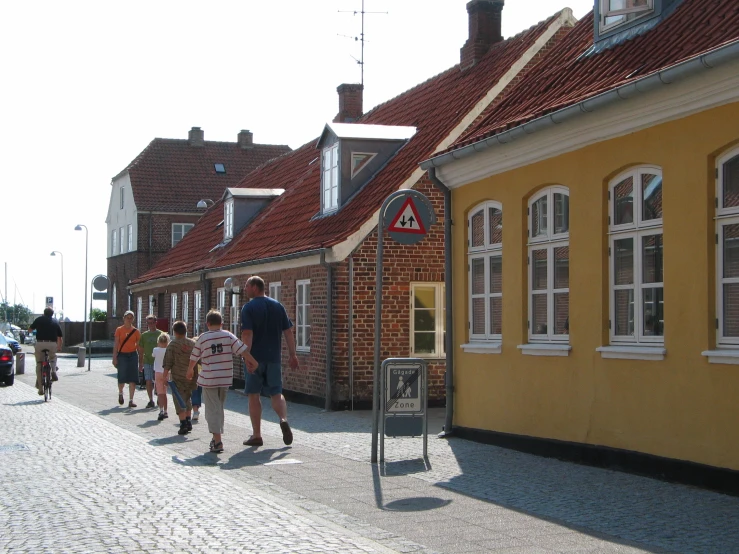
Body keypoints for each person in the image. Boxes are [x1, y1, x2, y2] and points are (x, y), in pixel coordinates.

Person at [240, 275, 299, 447]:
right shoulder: (278, 306)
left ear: (255, 288)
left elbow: (247, 334)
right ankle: (283, 419)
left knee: (253, 395)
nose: (245, 289)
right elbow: (288, 332)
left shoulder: (248, 308)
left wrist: (247, 356)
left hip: (255, 358)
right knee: (276, 393)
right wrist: (293, 354)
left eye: (247, 286)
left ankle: (257, 435)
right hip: (274, 358)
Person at [187, 310, 257, 453]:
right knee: (219, 407)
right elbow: (242, 350)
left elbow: (194, 356)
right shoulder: (228, 335)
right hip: (225, 378)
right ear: (221, 323)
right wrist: (254, 362)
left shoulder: (203, 338)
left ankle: (218, 441)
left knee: (212, 409)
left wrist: (189, 370)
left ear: (207, 324)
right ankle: (217, 437)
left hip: (209, 379)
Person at [163, 321, 197, 436]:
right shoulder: (192, 344)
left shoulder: (172, 345)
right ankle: (188, 420)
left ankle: (183, 424)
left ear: (175, 331)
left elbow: (168, 363)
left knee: (179, 399)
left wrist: (164, 377)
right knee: (187, 398)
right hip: (191, 377)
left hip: (177, 377)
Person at [29, 307, 63, 396]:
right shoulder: (55, 322)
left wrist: (34, 330)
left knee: (39, 364)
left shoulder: (39, 319)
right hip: (52, 344)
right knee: (53, 357)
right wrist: (59, 347)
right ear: (52, 314)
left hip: (40, 343)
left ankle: (40, 389)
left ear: (44, 313)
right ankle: (53, 370)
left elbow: (30, 329)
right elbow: (60, 338)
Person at [113, 310, 141, 408]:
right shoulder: (119, 330)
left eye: (131, 318)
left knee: (133, 378)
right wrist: (114, 357)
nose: (129, 320)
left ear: (133, 319)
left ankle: (131, 400)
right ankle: (120, 393)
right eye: (127, 317)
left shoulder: (136, 331)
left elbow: (138, 346)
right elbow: (116, 344)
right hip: (122, 355)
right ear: (124, 318)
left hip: (133, 355)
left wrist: (141, 360)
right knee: (122, 376)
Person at [138, 315, 162, 409]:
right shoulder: (144, 335)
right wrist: (140, 363)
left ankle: (158, 396)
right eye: (148, 323)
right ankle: (150, 400)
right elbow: (141, 350)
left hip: (158, 361)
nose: (150, 325)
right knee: (148, 380)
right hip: (147, 361)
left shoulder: (161, 334)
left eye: (152, 323)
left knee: (158, 381)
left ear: (156, 322)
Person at [152, 333, 170, 421]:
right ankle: (166, 411)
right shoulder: (168, 350)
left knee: (160, 393)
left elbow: (153, 356)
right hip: (166, 373)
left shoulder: (155, 350)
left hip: (158, 372)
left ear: (158, 341)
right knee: (165, 392)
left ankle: (161, 410)